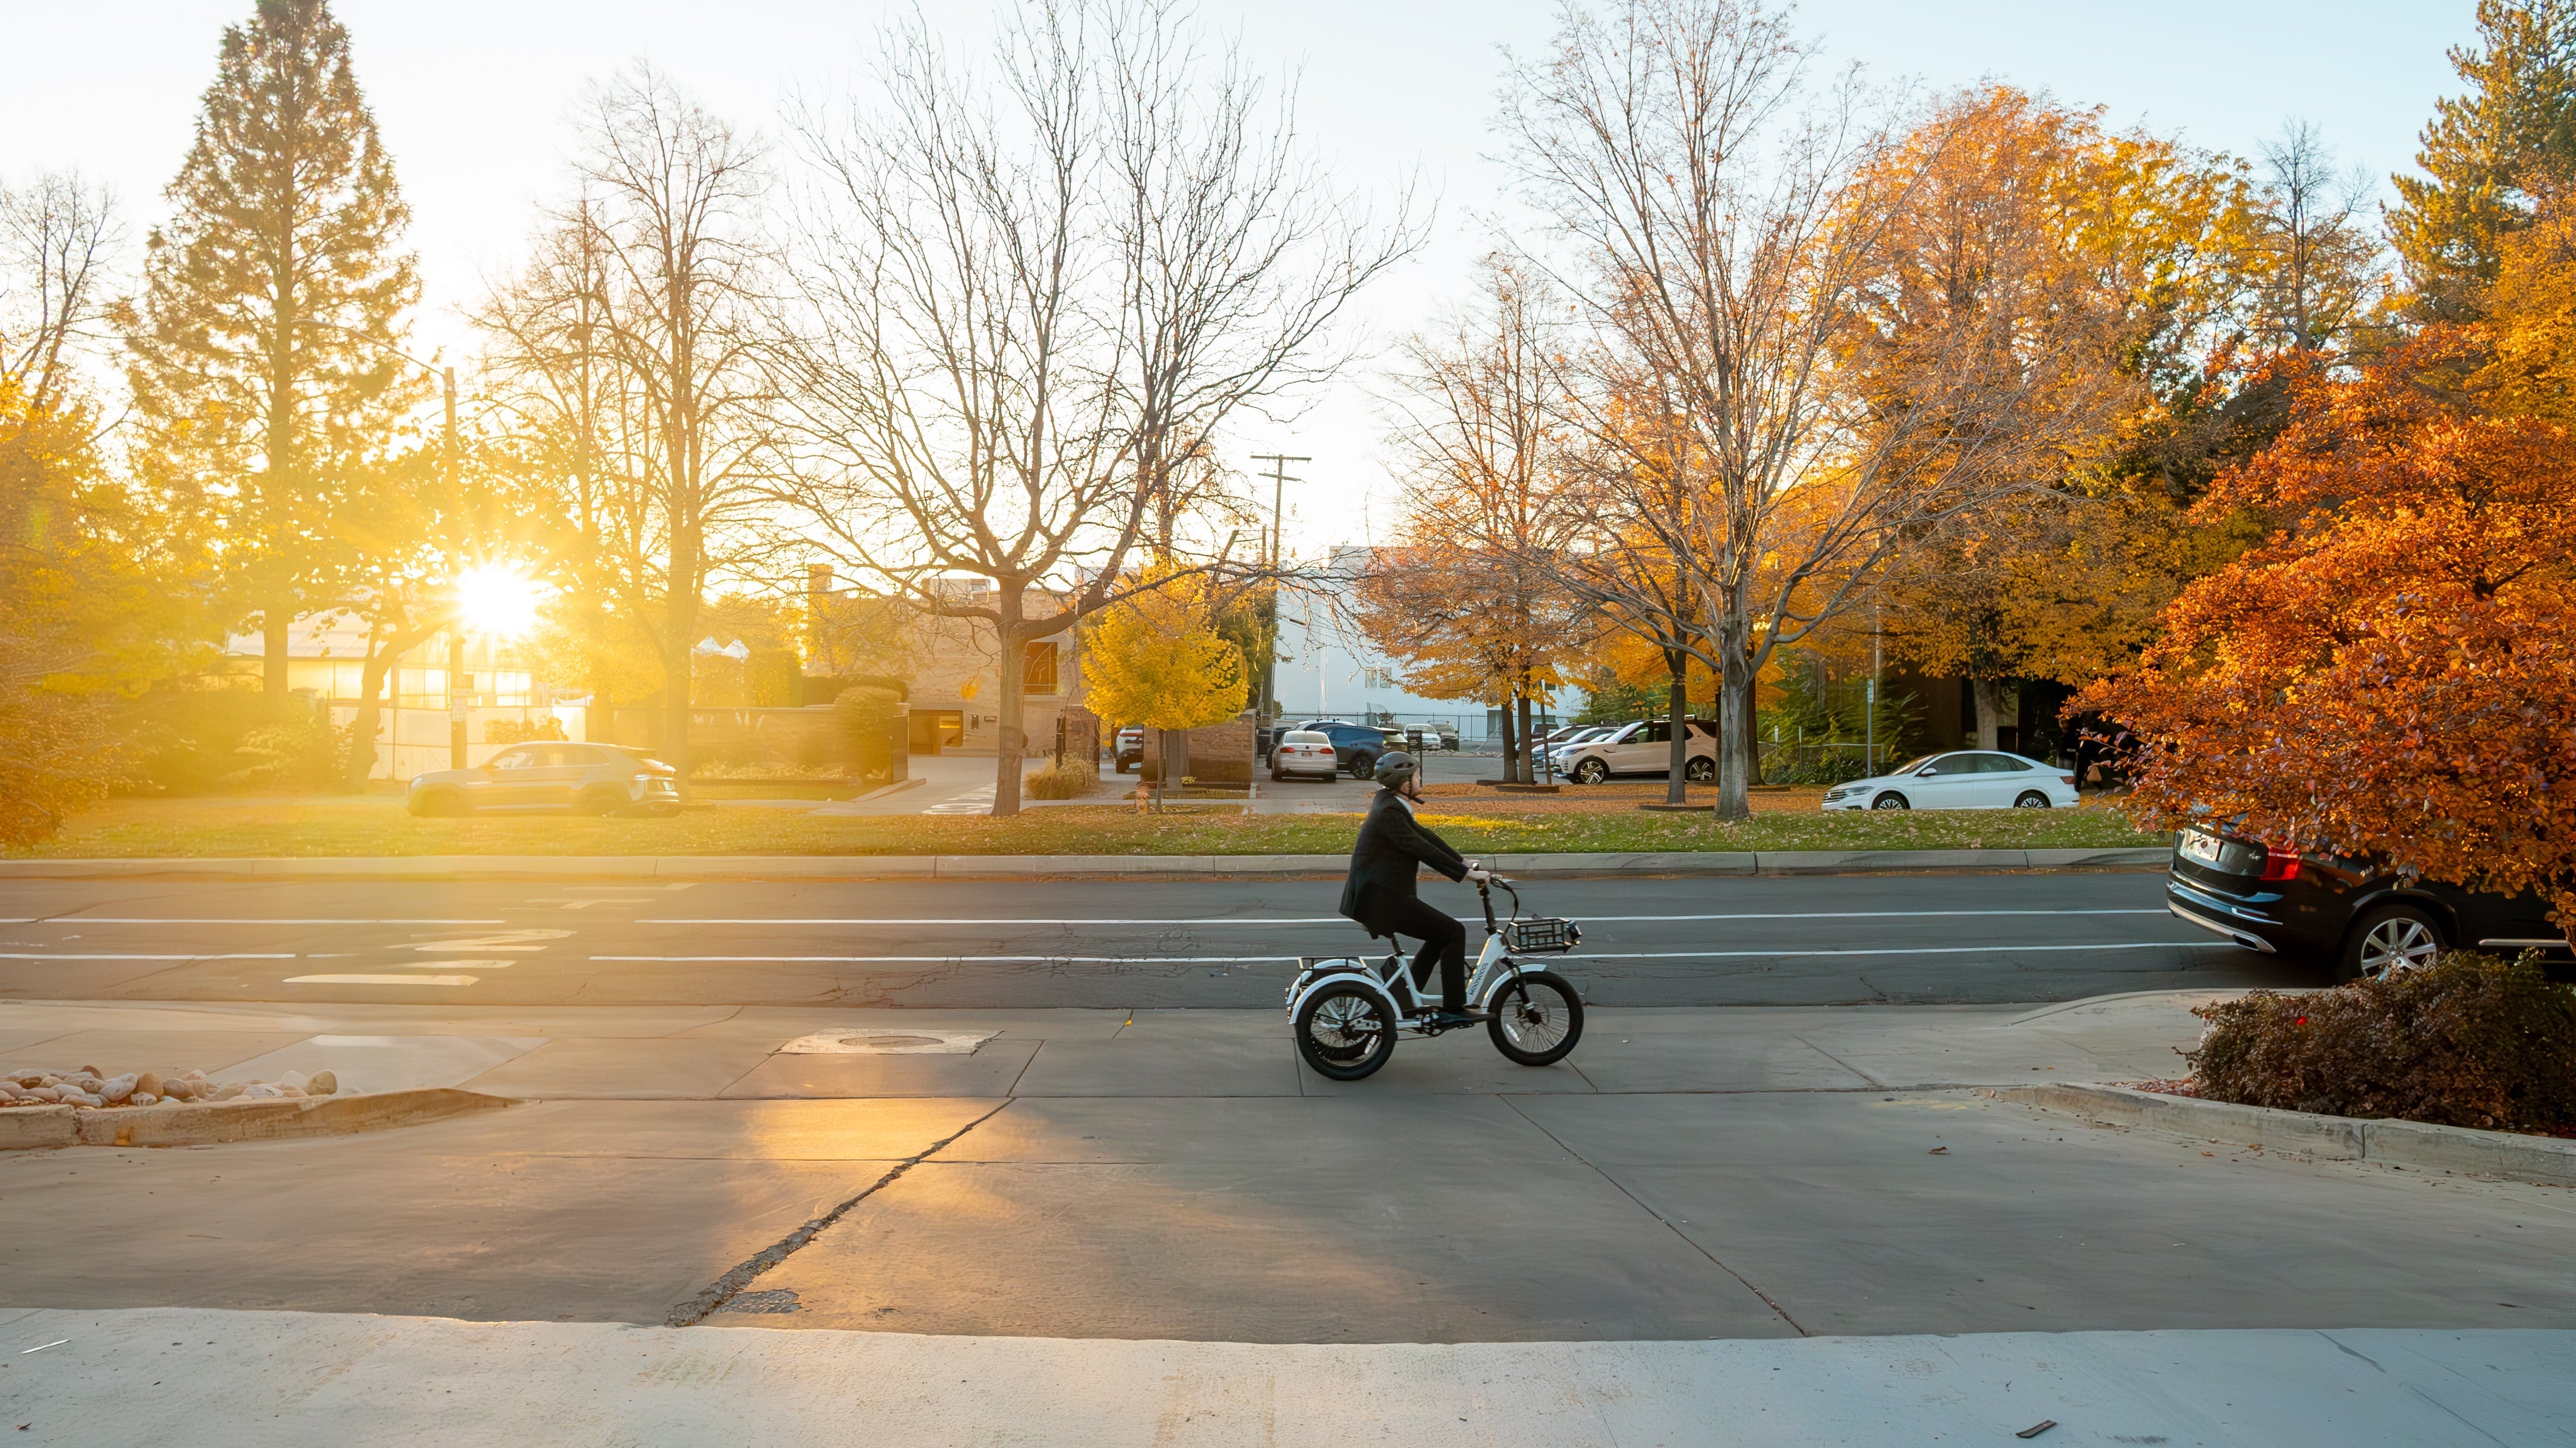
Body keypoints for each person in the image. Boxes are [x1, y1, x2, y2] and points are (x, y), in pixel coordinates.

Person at [1337, 750, 1493, 1025]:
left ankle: (1407, 999)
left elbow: (1424, 836)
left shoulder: (1389, 804)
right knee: (1454, 932)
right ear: (1404, 783)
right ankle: (1454, 1009)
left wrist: (1464, 862)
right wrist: (1467, 875)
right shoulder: (1388, 813)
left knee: (1440, 935)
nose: (1421, 780)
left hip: (1382, 896)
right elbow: (1419, 848)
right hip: (1384, 900)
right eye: (1417, 775)